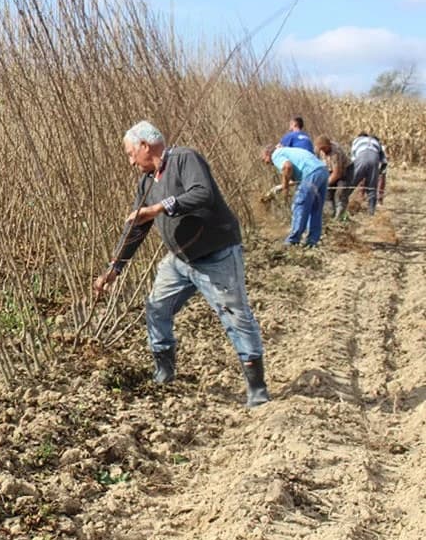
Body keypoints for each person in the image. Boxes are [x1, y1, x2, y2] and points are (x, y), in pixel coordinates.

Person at [94, 121, 270, 408]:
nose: (129, 161)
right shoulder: (146, 182)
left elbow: (202, 194)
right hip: (179, 260)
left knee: (235, 316)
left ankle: (257, 388)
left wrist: (159, 207)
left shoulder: (184, 159)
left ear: (144, 146)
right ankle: (164, 370)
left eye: (129, 153)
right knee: (156, 307)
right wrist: (114, 268)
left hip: (217, 255)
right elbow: (137, 227)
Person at [262, 143, 329, 247]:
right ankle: (312, 241)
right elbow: (294, 175)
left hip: (310, 173)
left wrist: (285, 189)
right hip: (322, 170)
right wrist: (281, 187)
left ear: (267, 154)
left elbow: (287, 167)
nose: (265, 163)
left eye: (263, 159)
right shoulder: (288, 151)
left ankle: (293, 240)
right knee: (315, 208)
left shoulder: (276, 154)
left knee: (300, 205)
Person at [314, 134, 353, 220]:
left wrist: (324, 184)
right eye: (321, 149)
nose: (323, 151)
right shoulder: (319, 150)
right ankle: (330, 215)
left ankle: (340, 217)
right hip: (329, 170)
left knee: (340, 193)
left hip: (344, 171)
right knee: (327, 194)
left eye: (324, 148)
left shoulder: (335, 152)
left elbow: (337, 174)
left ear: (329, 145)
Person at [349, 132, 387, 215]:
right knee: (372, 189)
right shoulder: (377, 143)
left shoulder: (356, 141)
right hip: (374, 159)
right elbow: (384, 163)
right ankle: (371, 213)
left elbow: (353, 159)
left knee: (350, 185)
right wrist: (378, 174)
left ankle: (343, 207)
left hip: (361, 157)